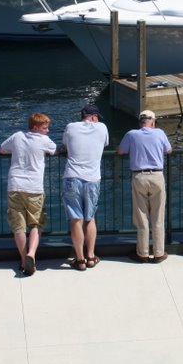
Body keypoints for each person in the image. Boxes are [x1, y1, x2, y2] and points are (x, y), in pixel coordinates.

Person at [0, 112, 57, 275]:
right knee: (36, 223)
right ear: (35, 127)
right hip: (34, 188)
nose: (47, 131)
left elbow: (2, 150)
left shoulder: (17, 136)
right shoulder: (44, 141)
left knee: (18, 226)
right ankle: (31, 254)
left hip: (14, 185)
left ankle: (24, 260)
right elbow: (55, 150)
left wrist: (15, 152)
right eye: (45, 128)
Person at [117, 110, 173, 263]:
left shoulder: (131, 134)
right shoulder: (160, 133)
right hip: (157, 176)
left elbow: (120, 151)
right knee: (158, 215)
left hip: (139, 176)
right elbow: (169, 150)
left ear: (140, 122)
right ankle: (159, 253)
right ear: (153, 122)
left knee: (141, 216)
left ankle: (142, 253)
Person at [61, 104, 108, 270]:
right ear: (94, 117)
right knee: (90, 218)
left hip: (72, 177)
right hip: (93, 179)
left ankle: (79, 260)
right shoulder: (102, 128)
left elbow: (66, 146)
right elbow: (105, 144)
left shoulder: (70, 127)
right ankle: (91, 256)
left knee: (76, 219)